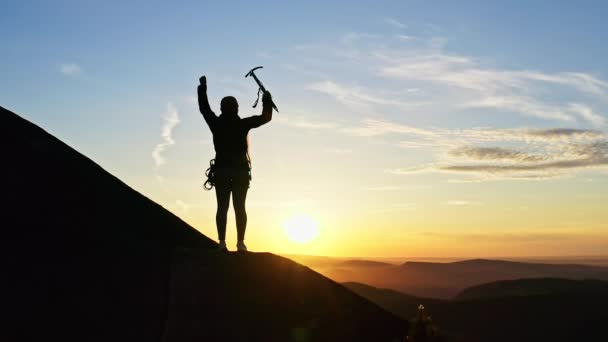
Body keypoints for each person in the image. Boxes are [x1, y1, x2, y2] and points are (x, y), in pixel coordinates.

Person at [197, 75, 273, 252]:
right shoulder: (243, 124)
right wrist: (267, 99)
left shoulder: (216, 123)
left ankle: (222, 243)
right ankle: (240, 243)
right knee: (240, 207)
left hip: (222, 170)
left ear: (222, 108)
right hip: (240, 171)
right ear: (237, 109)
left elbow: (204, 108)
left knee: (222, 207)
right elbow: (266, 117)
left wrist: (202, 88)